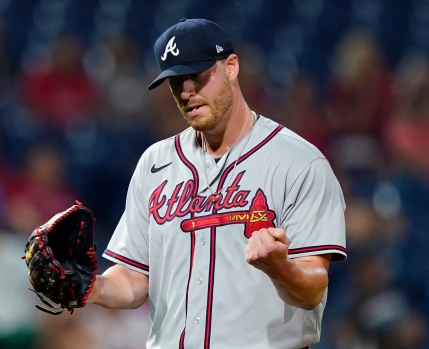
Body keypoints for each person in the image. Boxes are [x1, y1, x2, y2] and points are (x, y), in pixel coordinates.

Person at [89, 18, 347, 349]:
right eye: (175, 81)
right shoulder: (153, 164)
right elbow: (135, 277)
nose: (186, 92)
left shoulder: (299, 163)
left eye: (196, 76)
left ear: (231, 67)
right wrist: (92, 288)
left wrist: (280, 267)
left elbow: (312, 289)